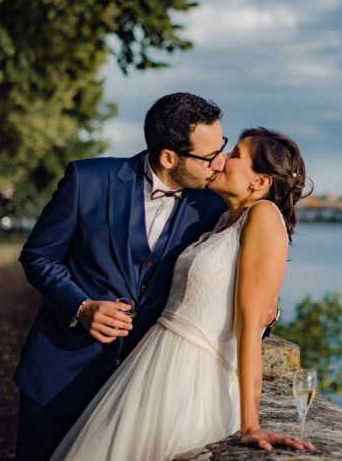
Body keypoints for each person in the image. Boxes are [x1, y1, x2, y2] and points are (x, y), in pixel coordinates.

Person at [50, 127, 315, 460]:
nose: (221, 159)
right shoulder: (221, 219)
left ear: (259, 182)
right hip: (153, 362)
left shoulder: (263, 216)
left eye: (235, 156)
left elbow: (249, 328)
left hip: (194, 376)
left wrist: (250, 425)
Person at [14, 92, 233, 460]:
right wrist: (80, 306)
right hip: (59, 372)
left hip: (139, 389)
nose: (220, 162)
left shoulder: (213, 206)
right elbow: (38, 256)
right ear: (168, 157)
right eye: (210, 156)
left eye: (221, 147)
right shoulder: (88, 179)